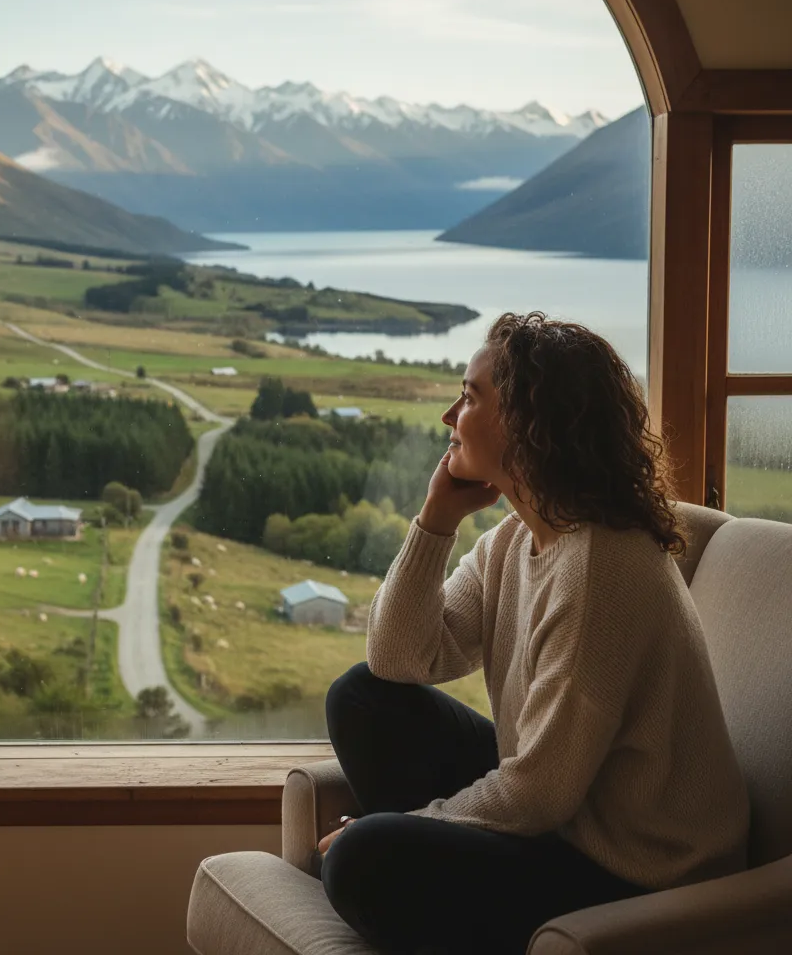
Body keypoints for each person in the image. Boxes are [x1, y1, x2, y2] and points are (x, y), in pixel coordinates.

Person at [318, 312, 749, 955]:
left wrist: (406, 826)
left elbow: (540, 793)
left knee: (361, 859)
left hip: (639, 873)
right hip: (569, 817)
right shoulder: (518, 539)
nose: (449, 417)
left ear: (524, 421)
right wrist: (436, 518)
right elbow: (399, 658)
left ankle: (408, 869)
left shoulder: (601, 568)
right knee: (360, 698)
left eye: (469, 397)